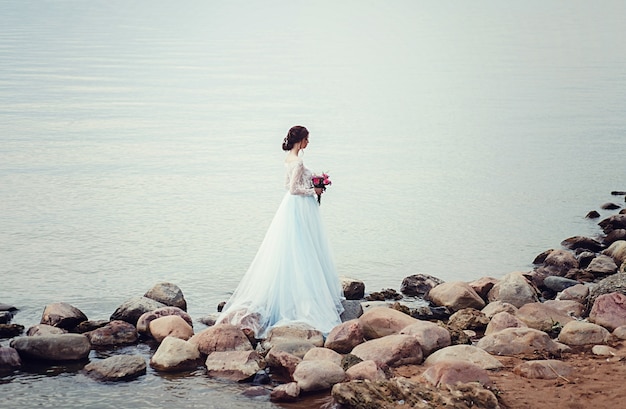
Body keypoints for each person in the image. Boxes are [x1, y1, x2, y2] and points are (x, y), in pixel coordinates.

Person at [216, 125, 344, 338]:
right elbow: (294, 189)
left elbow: (287, 185)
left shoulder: (288, 160)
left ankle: (291, 295)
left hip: (292, 207)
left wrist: (313, 179)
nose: (308, 142)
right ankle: (304, 301)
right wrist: (315, 190)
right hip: (300, 207)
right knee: (304, 251)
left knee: (295, 250)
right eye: (307, 139)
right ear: (301, 140)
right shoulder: (298, 161)